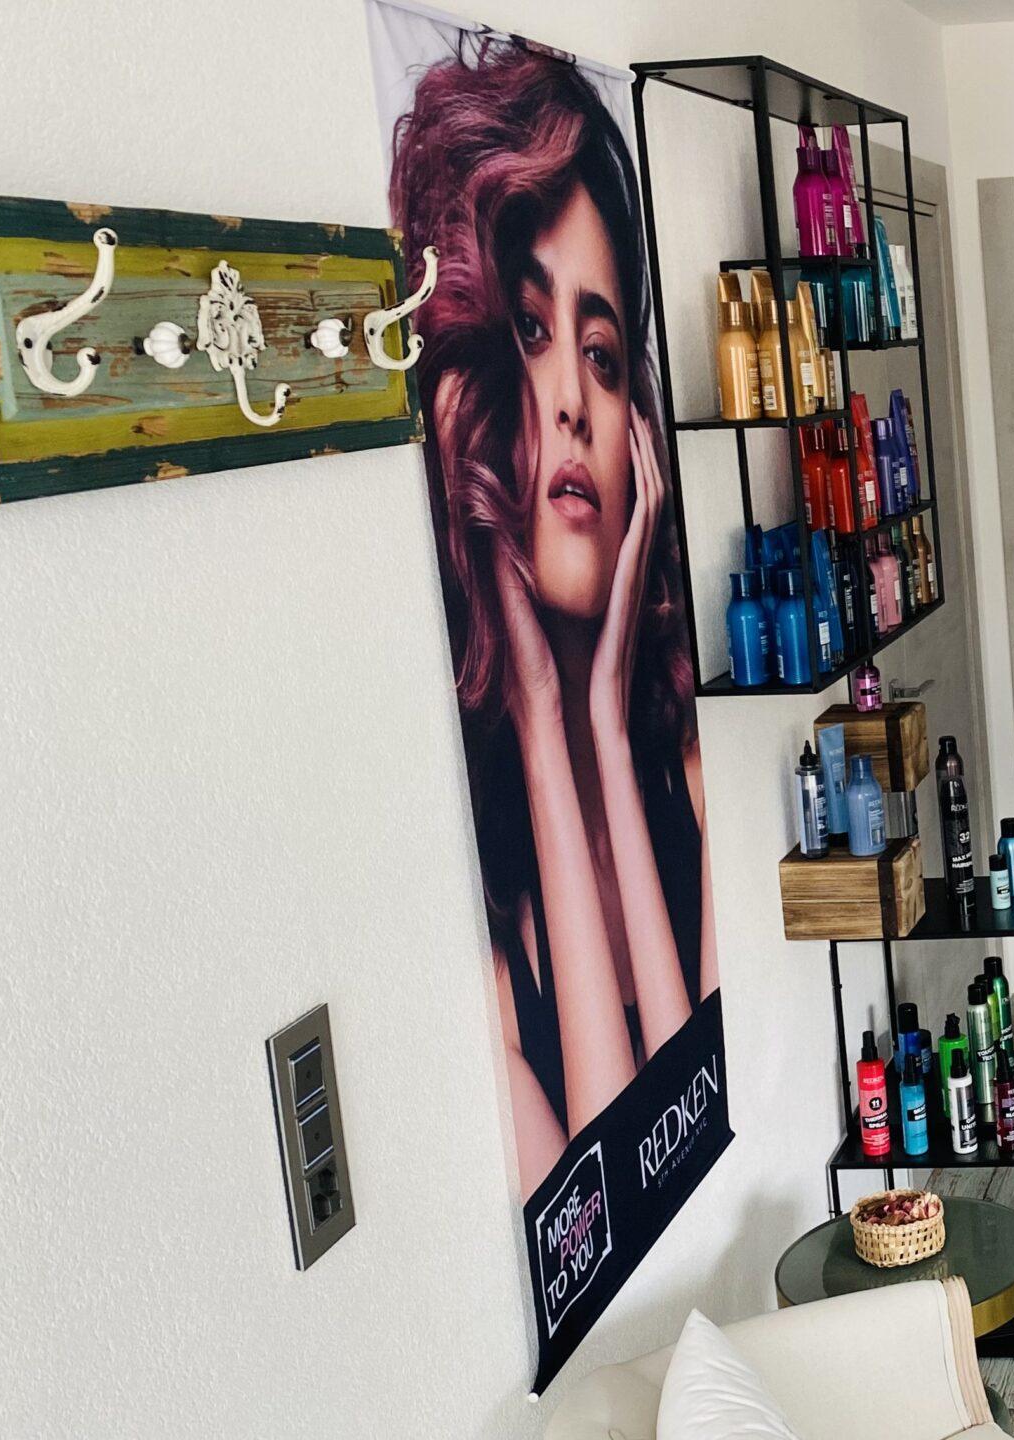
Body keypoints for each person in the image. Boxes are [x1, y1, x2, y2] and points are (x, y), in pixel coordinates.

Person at [388, 36, 716, 1189]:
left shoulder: (690, 775)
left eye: (604, 353)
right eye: (531, 334)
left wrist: (609, 748)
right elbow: (621, 1188)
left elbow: (695, 1127)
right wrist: (542, 715)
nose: (574, 401)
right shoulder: (477, 956)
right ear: (464, 391)